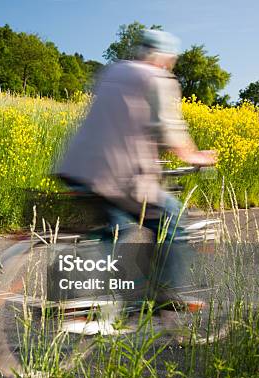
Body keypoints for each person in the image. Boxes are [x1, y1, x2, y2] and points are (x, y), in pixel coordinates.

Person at [55, 29, 216, 317]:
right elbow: (169, 130)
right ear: (164, 58)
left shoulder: (111, 71)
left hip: (76, 167)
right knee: (174, 222)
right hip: (118, 176)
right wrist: (194, 156)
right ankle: (166, 293)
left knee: (114, 228)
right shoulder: (158, 79)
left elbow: (119, 120)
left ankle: (84, 300)